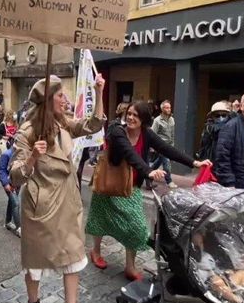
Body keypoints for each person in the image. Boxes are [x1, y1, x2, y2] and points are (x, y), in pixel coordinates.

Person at [8, 74, 105, 303]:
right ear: (48, 100)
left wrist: (99, 92)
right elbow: (15, 174)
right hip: (41, 204)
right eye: (60, 95)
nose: (66, 100)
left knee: (73, 255)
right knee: (36, 260)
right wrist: (32, 158)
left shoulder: (63, 124)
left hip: (67, 201)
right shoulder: (27, 132)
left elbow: (93, 125)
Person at [86, 101, 211, 281]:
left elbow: (167, 149)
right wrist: (148, 170)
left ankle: (130, 266)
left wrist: (193, 163)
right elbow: (129, 153)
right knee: (99, 218)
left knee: (137, 227)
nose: (130, 117)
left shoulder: (146, 134)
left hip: (131, 187)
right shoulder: (117, 131)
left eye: (136, 115)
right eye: (129, 113)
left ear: (144, 119)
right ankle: (96, 251)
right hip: (109, 183)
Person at [150, 100, 178, 189]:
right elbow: (152, 133)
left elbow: (172, 134)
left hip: (169, 145)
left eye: (169, 107)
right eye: (166, 107)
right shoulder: (157, 120)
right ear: (162, 109)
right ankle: (169, 181)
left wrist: (172, 145)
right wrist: (152, 146)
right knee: (166, 163)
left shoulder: (172, 119)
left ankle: (148, 172)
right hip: (160, 146)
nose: (169, 109)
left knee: (158, 162)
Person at [0, 147, 22, 238]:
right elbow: (1, 170)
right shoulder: (6, 154)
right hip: (9, 183)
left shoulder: (21, 153)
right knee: (15, 203)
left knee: (11, 201)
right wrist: (5, 183)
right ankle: (19, 228)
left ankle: (8, 222)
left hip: (18, 182)